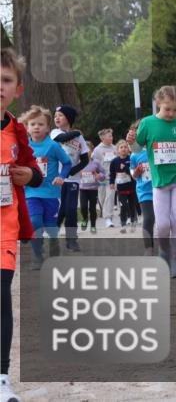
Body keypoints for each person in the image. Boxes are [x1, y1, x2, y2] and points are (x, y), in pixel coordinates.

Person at [1, 49, 43, 402]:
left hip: (5, 228)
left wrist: (29, 175)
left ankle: (1, 378)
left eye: (5, 80)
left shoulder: (16, 132)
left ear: (18, 89)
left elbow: (35, 170)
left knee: (1, 297)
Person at [128, 85, 176, 278]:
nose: (171, 113)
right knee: (163, 225)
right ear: (158, 103)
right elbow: (136, 149)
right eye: (168, 109)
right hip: (159, 181)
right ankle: (164, 253)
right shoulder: (148, 123)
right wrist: (130, 141)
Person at [20, 106, 71, 268]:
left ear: (48, 128)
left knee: (51, 228)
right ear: (27, 127)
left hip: (50, 194)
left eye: (41, 124)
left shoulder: (53, 146)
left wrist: (61, 177)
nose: (36, 127)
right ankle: (37, 256)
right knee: (35, 222)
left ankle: (55, 249)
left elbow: (67, 163)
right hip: (31, 193)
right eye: (33, 124)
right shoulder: (24, 147)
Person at [51, 104, 88, 251]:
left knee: (71, 209)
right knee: (61, 210)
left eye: (60, 115)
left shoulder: (80, 139)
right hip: (57, 179)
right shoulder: (54, 133)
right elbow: (63, 137)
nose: (56, 118)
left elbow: (85, 160)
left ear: (69, 118)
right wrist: (77, 133)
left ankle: (71, 240)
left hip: (73, 179)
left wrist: (73, 171)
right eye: (55, 116)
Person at [130, 141, 155, 256]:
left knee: (164, 220)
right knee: (149, 218)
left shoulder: (157, 148)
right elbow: (133, 175)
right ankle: (148, 248)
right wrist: (136, 172)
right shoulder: (135, 154)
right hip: (145, 191)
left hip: (161, 188)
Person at [108, 140, 136, 233]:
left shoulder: (131, 159)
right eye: (121, 147)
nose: (123, 149)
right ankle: (123, 225)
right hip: (121, 188)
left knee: (132, 205)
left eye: (125, 147)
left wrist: (125, 167)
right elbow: (112, 174)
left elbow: (133, 173)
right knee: (123, 206)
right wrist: (111, 183)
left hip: (131, 187)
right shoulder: (114, 161)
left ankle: (133, 221)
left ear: (128, 149)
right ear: (117, 150)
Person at [92, 128, 117, 228]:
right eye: (109, 136)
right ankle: (104, 212)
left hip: (112, 178)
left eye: (112, 136)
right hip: (101, 178)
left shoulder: (115, 148)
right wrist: (96, 174)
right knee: (102, 198)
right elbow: (94, 165)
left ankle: (108, 218)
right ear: (103, 138)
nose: (112, 137)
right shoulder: (97, 150)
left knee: (110, 197)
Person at [76, 150, 106, 234]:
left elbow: (103, 174)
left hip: (93, 189)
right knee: (83, 207)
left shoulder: (96, 162)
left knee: (92, 208)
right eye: (83, 150)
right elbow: (73, 174)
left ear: (91, 151)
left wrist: (98, 175)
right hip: (83, 189)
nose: (85, 152)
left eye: (87, 150)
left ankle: (93, 226)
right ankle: (84, 219)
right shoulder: (78, 162)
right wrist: (79, 175)